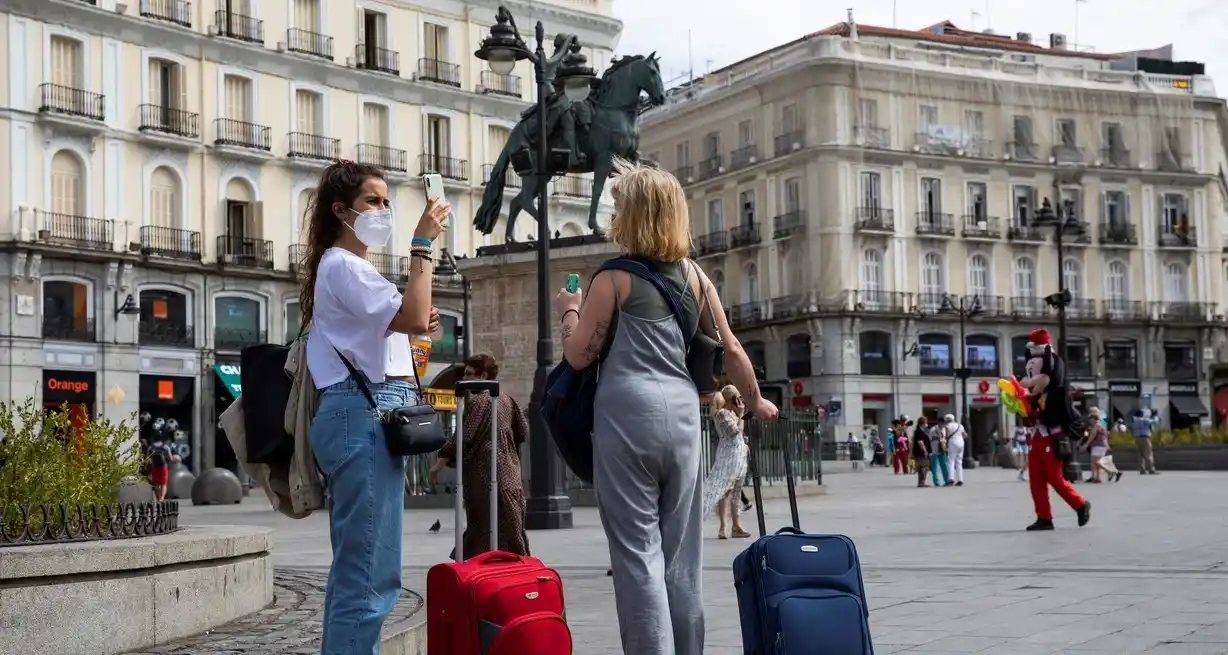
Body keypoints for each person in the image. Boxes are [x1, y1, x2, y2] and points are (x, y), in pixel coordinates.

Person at [554, 159, 778, 655]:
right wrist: (758, 401)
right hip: (681, 419)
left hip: (625, 416)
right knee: (681, 557)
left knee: (637, 556)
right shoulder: (696, 276)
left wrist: (568, 311)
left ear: (629, 216)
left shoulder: (612, 279)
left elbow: (578, 354)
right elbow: (733, 349)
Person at [301, 160, 449, 653]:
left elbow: (414, 321)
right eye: (373, 200)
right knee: (368, 577)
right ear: (342, 211)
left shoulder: (352, 269)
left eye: (387, 201)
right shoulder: (342, 265)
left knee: (362, 571)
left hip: (361, 413)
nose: (382, 209)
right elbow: (411, 315)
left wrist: (416, 315)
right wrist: (422, 245)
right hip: (360, 414)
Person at [430, 354, 531, 559]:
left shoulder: (480, 401)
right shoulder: (508, 400)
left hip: (485, 476)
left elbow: (463, 436)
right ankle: (514, 569)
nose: (464, 379)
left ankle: (481, 573)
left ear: (483, 375)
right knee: (509, 530)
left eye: (468, 374)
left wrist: (439, 463)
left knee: (484, 528)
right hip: (510, 475)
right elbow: (523, 431)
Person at [1018, 329, 1091, 531]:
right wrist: (1027, 417)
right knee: (1036, 480)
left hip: (1053, 436)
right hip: (1036, 437)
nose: (1031, 378)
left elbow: (1058, 415)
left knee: (1054, 477)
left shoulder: (1058, 394)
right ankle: (1044, 517)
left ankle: (1080, 504)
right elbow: (1034, 416)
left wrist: (1038, 415)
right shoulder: (1033, 397)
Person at [702, 385, 750, 539]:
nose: (740, 401)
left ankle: (736, 525)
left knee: (736, 490)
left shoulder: (731, 413)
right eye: (738, 397)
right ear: (732, 399)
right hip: (728, 456)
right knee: (725, 490)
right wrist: (741, 414)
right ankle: (723, 527)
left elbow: (739, 435)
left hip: (739, 454)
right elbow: (736, 431)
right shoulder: (722, 414)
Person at [1080, 407, 1121, 483]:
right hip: (1102, 446)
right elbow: (1105, 436)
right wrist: (1107, 445)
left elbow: (1092, 435)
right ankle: (1097, 478)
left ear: (1093, 418)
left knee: (1096, 462)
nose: (1090, 420)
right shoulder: (1102, 424)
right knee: (1097, 463)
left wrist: (1086, 444)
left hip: (1097, 446)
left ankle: (1113, 472)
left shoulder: (1096, 425)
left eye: (1091, 419)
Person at [923, 416, 951, 487]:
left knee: (944, 465)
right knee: (934, 467)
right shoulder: (933, 429)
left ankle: (947, 480)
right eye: (943, 422)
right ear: (940, 422)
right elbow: (929, 439)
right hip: (934, 450)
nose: (944, 424)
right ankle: (936, 482)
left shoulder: (944, 429)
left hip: (942, 449)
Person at [941, 414, 966, 486]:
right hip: (961, 443)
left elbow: (944, 436)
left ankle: (951, 479)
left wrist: (944, 445)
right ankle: (960, 479)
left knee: (950, 461)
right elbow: (965, 435)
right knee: (959, 461)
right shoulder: (960, 425)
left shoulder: (946, 426)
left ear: (946, 420)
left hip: (952, 443)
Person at [1132, 408, 1159, 474]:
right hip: (1145, 438)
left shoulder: (1134, 421)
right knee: (1148, 454)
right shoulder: (1144, 420)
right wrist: (1155, 416)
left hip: (1137, 438)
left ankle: (1142, 469)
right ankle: (1151, 469)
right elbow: (1155, 422)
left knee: (1140, 454)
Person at [911, 418, 931, 488]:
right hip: (921, 452)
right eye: (926, 422)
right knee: (924, 467)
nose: (926, 424)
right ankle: (922, 482)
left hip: (919, 452)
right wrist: (925, 451)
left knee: (921, 467)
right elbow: (920, 442)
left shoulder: (920, 431)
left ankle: (921, 482)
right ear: (923, 423)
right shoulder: (919, 431)